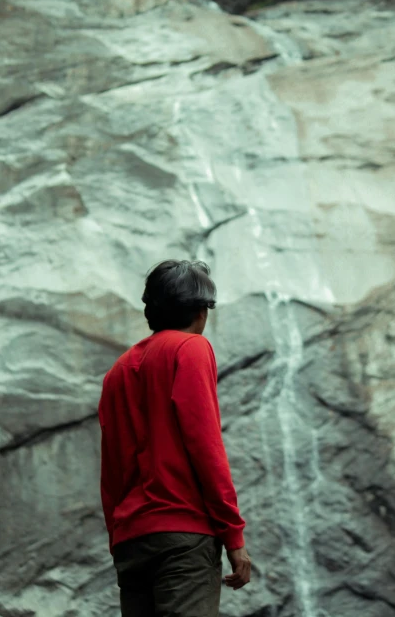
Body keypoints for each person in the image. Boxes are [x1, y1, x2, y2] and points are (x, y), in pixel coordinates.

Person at [99, 259, 251, 617]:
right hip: (182, 536)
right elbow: (206, 446)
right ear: (201, 311)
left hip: (132, 542)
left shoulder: (117, 372)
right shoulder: (191, 349)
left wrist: (119, 538)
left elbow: (112, 470)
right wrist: (234, 537)